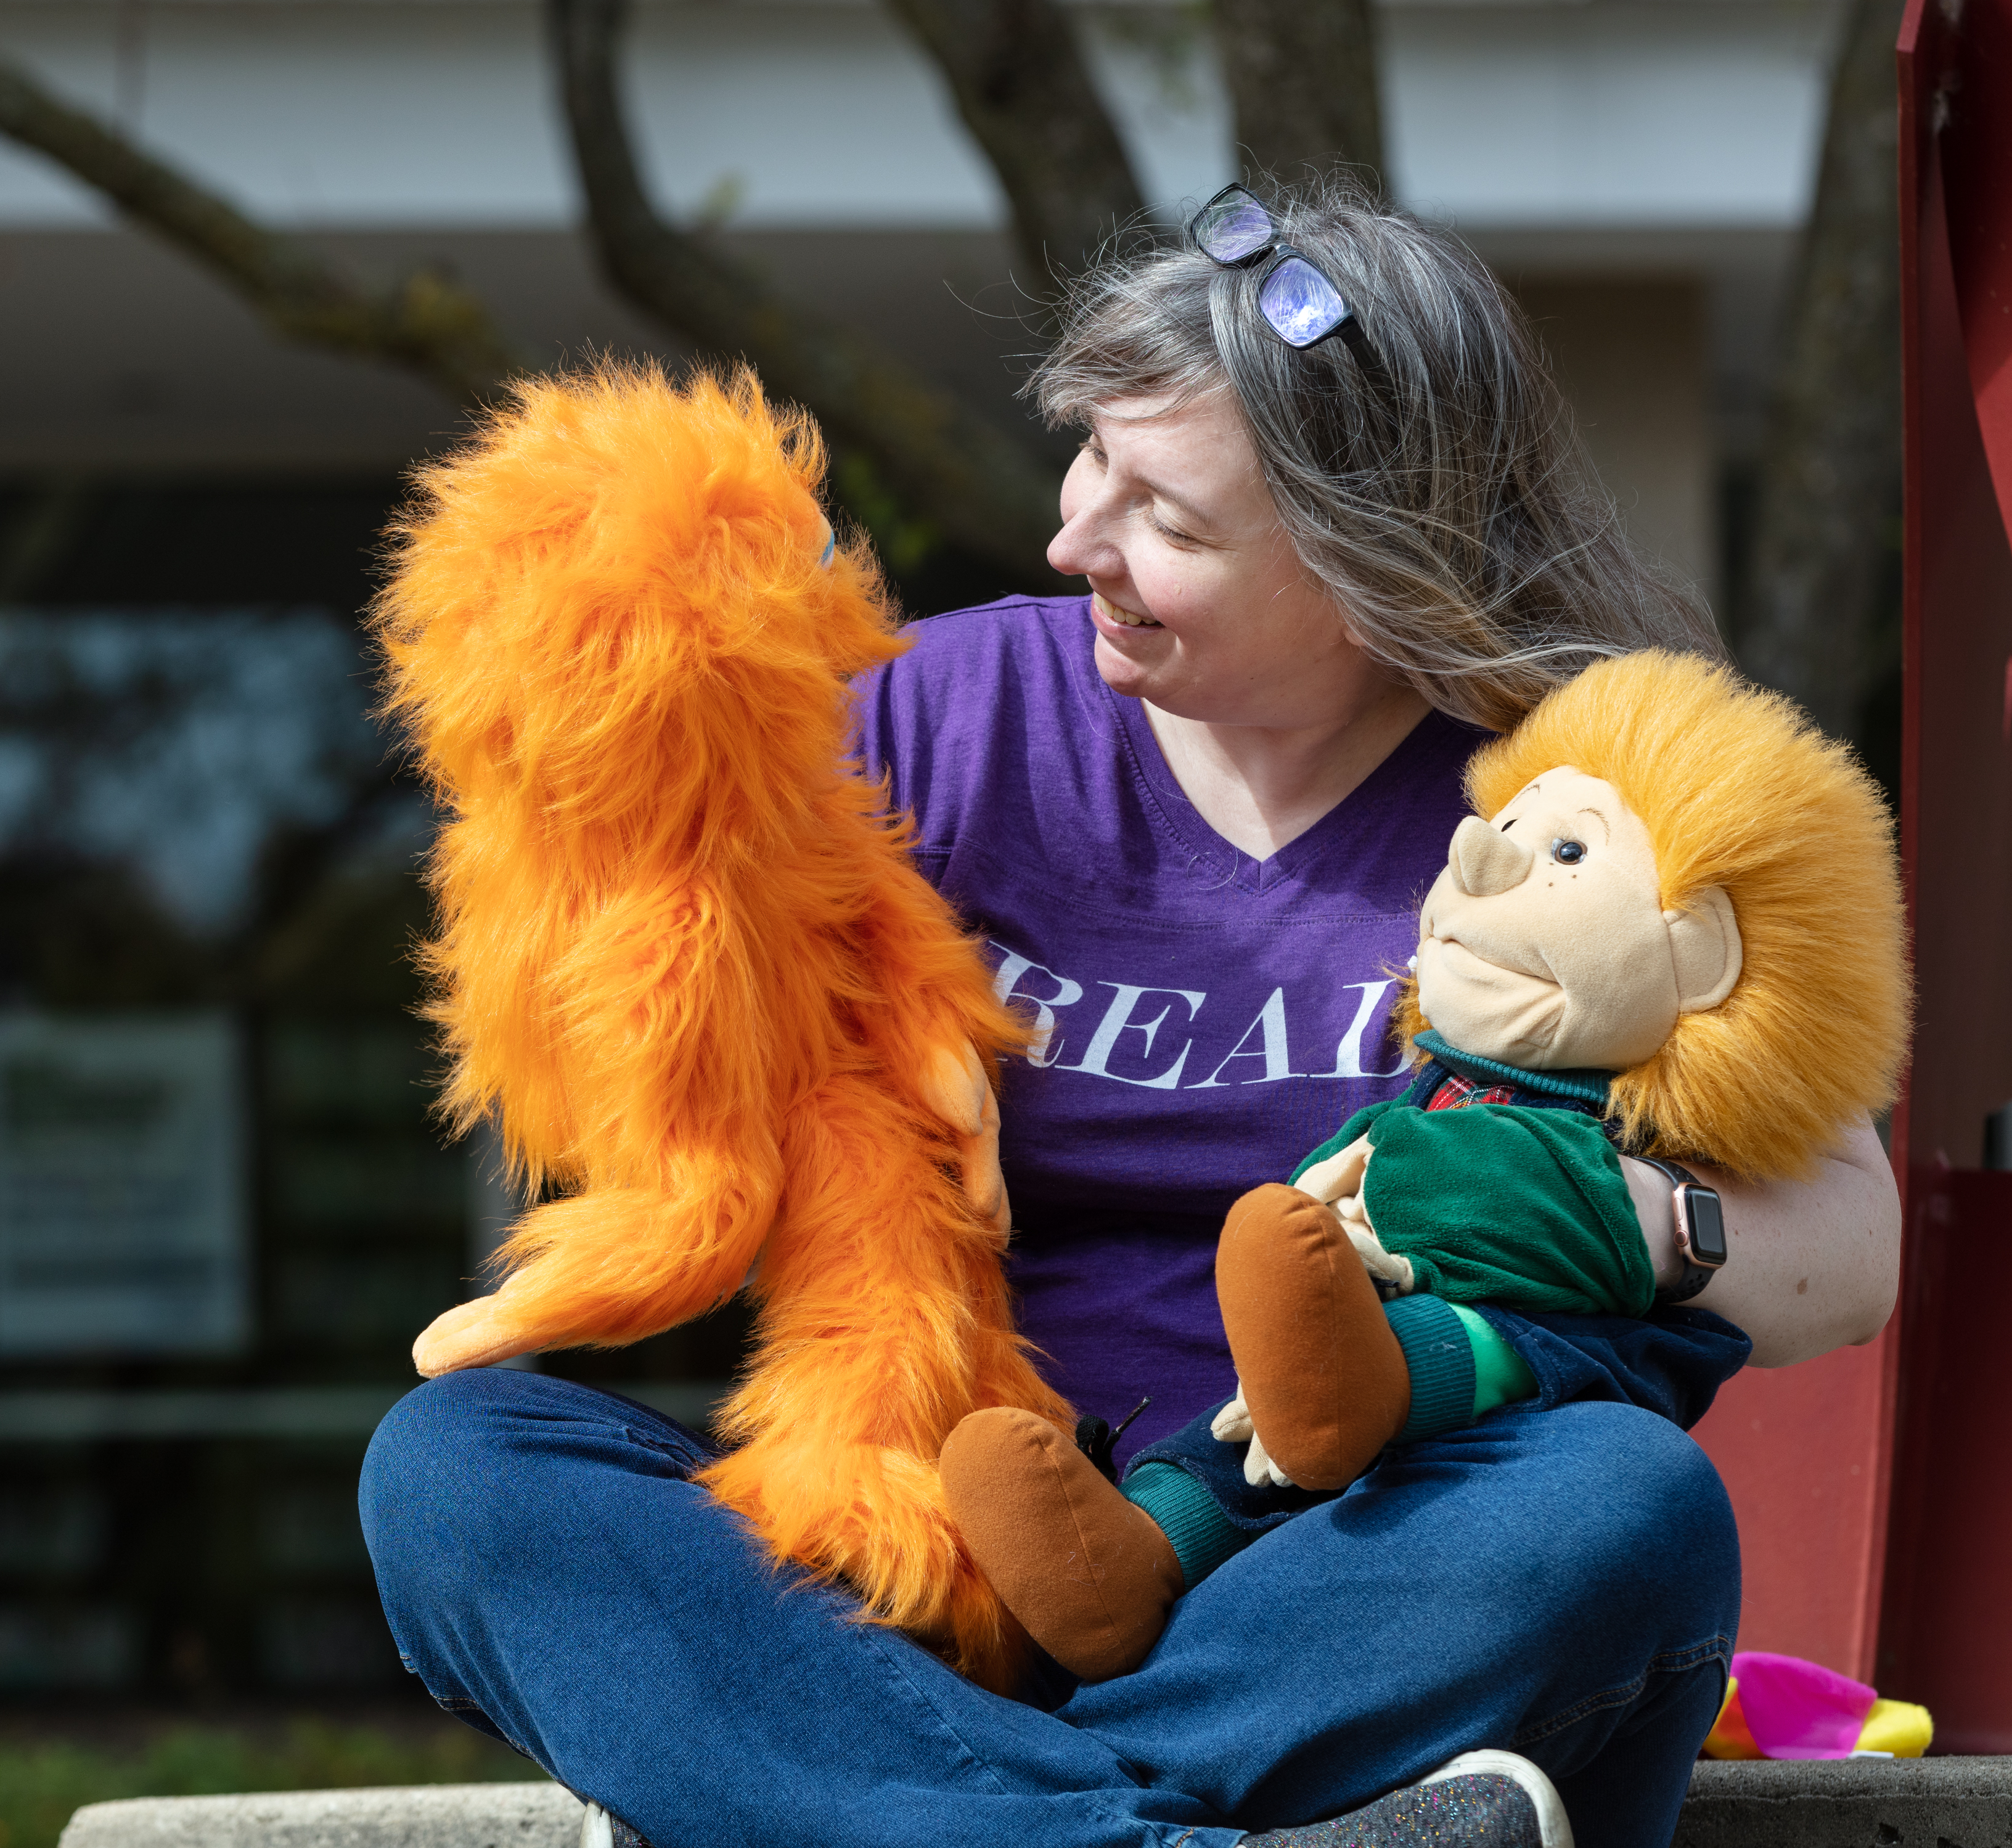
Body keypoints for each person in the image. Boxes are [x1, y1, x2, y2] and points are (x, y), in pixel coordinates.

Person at [359, 175, 1901, 1848]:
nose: (1075, 538)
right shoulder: (936, 719)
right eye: (1092, 456)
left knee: (1626, 1505)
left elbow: (1848, 1253)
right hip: (926, 1583)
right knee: (460, 1472)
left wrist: (1568, 1206)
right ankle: (1117, 1829)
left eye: (1166, 516)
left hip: (1337, 1580)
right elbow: (670, 1084)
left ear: (1361, 553)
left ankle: (839, 1806)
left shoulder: (1586, 788)